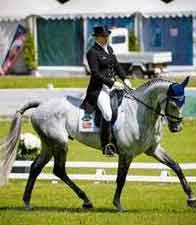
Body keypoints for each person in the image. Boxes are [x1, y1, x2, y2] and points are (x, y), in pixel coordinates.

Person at [81, 25, 132, 156]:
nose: (106, 38)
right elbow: (95, 74)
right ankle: (106, 146)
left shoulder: (109, 49)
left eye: (107, 36)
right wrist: (113, 83)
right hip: (98, 89)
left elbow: (116, 65)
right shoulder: (92, 52)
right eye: (104, 36)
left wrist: (125, 79)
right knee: (108, 113)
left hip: (113, 87)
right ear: (97, 38)